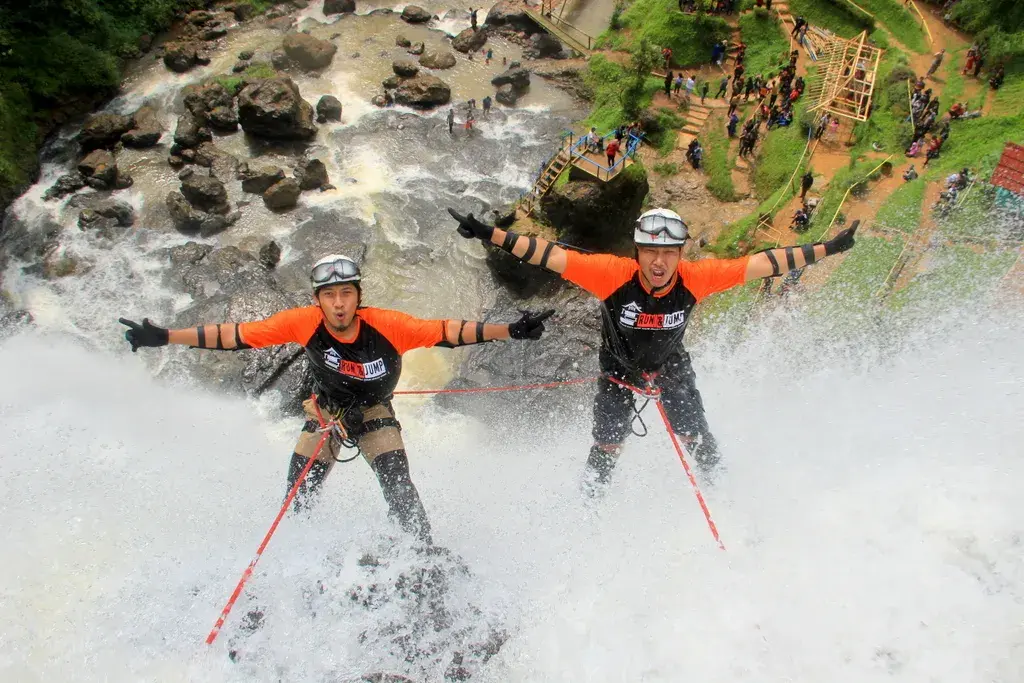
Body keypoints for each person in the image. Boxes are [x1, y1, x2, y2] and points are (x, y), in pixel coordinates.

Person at [119, 255, 553, 543]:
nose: (339, 303)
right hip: (325, 412)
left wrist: (510, 330)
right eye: (330, 295)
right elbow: (236, 336)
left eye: (347, 294)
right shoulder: (304, 323)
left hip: (374, 412)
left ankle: (423, 556)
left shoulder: (389, 326)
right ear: (318, 300)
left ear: (358, 298)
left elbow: (450, 332)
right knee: (297, 492)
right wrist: (166, 337)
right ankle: (298, 552)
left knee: (399, 488)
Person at [447, 208, 859, 490]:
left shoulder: (697, 278)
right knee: (607, 444)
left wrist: (829, 249)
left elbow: (765, 263)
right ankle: (590, 501)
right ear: (637, 252)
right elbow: (548, 255)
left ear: (680, 255)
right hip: (618, 372)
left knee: (694, 435)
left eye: (667, 253)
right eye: (650, 252)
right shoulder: (611, 274)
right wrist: (489, 234)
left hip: (670, 366)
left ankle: (720, 485)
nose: (659, 263)